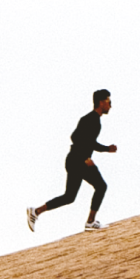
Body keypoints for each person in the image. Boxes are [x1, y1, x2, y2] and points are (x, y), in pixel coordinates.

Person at [27, 90, 117, 233]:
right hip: (78, 161)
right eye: (109, 102)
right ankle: (90, 222)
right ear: (101, 102)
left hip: (73, 160)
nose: (110, 106)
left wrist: (102, 150)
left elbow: (83, 140)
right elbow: (78, 139)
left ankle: (36, 211)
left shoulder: (91, 119)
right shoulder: (92, 120)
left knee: (69, 197)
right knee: (101, 186)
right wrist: (87, 157)